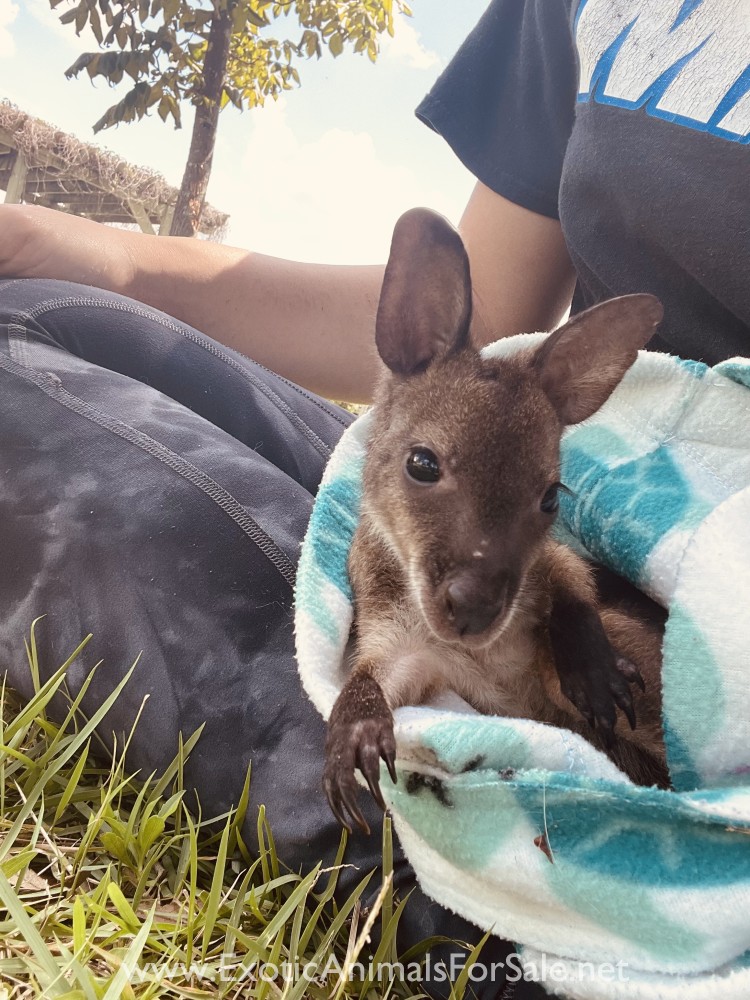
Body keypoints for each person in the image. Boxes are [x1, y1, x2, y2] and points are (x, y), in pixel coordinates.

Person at [0, 0, 747, 995]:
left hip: (681, 581)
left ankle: (535, 894)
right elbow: (465, 334)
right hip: (460, 482)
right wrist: (111, 259)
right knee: (25, 330)